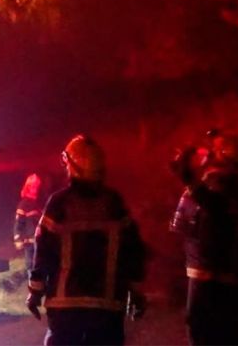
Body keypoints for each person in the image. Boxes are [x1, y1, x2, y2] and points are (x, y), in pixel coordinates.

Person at [26, 135, 147, 346]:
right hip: (107, 308)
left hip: (65, 309)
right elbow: (133, 250)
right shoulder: (114, 203)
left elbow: (43, 251)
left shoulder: (59, 203)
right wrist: (135, 291)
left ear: (72, 166)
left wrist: (35, 292)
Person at [170, 133, 238, 345]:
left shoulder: (213, 194)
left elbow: (212, 209)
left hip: (207, 281)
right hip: (228, 281)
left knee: (204, 332)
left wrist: (189, 180)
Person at [13, 173, 44, 278]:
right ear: (28, 187)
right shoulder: (24, 204)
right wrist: (18, 239)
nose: (35, 189)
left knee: (41, 266)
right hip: (30, 243)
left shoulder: (39, 203)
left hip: (40, 242)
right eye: (33, 186)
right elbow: (18, 224)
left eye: (37, 186)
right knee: (31, 266)